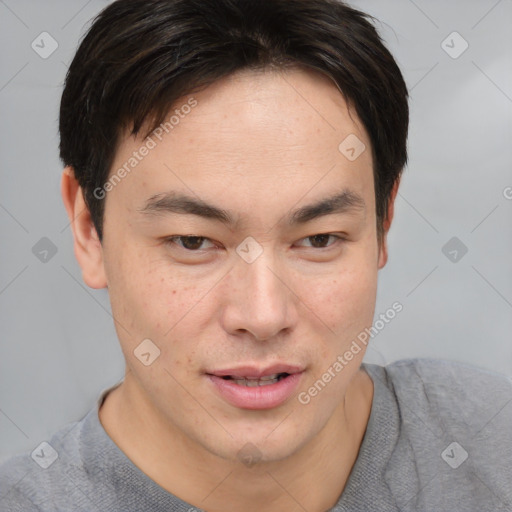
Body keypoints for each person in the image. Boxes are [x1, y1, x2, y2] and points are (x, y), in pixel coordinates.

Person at [1, 0, 510, 510]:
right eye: (193, 242)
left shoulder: (490, 442)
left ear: (382, 223)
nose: (263, 316)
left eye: (318, 239)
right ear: (90, 230)